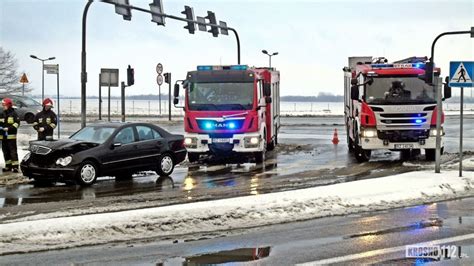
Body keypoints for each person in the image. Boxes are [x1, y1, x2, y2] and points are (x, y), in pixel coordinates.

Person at [1, 98, 20, 172]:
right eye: (3, 105)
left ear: (9, 105)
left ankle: (15, 167)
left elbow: (17, 124)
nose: (3, 106)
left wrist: (9, 128)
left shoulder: (14, 114)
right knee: (5, 152)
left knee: (13, 152)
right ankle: (8, 166)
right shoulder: (2, 114)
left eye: (4, 105)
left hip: (11, 136)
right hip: (3, 136)